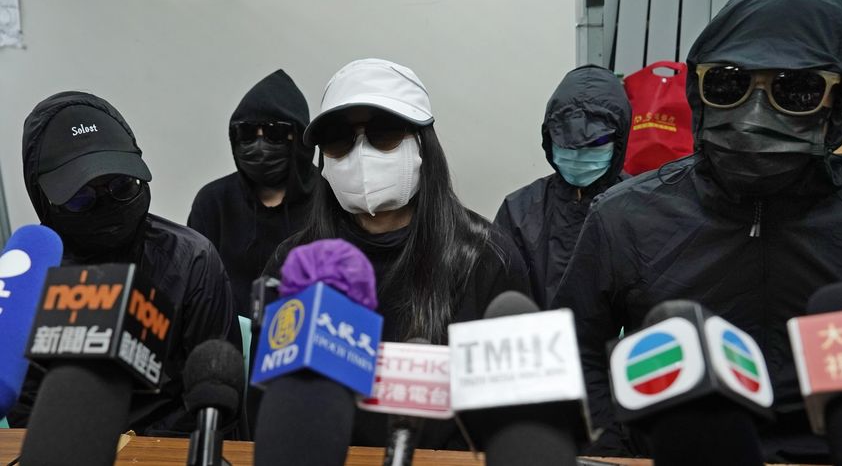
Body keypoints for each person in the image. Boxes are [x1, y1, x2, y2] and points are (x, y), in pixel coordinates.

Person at [553, 0, 842, 463]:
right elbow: (577, 351)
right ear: (698, 89)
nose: (753, 114)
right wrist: (614, 449)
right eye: (729, 83)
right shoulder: (626, 216)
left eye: (797, 90)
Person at [262, 58, 531, 448]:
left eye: (384, 133)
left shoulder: (486, 259)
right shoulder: (296, 265)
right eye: (339, 139)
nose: (362, 154)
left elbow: (511, 420)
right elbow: (270, 408)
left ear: (423, 145)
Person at [14, 91, 241, 435]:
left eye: (122, 186)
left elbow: (213, 400)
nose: (106, 205)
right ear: (44, 199)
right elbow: (24, 402)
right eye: (80, 198)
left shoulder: (191, 259)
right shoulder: (29, 274)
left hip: (169, 450)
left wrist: (137, 448)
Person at [495, 65, 631, 308]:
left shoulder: (640, 208)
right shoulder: (518, 211)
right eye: (567, 141)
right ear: (549, 138)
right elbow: (498, 293)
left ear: (619, 139)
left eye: (595, 142)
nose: (578, 153)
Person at [188, 70, 318, 315]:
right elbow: (194, 285)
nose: (259, 146)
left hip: (303, 336)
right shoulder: (214, 202)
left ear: (298, 138)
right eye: (247, 133)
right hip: (224, 340)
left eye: (274, 133)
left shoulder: (328, 201)